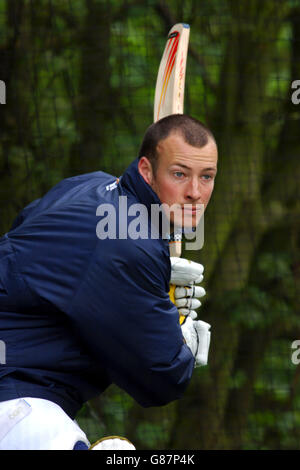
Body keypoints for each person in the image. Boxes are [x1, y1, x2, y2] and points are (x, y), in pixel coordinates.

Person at [0, 114, 218, 450]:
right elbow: (161, 377)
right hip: (16, 400)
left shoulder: (87, 186)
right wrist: (181, 340)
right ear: (147, 171)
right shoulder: (128, 246)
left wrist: (152, 280)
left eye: (207, 177)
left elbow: (29, 239)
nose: (195, 193)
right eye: (179, 174)